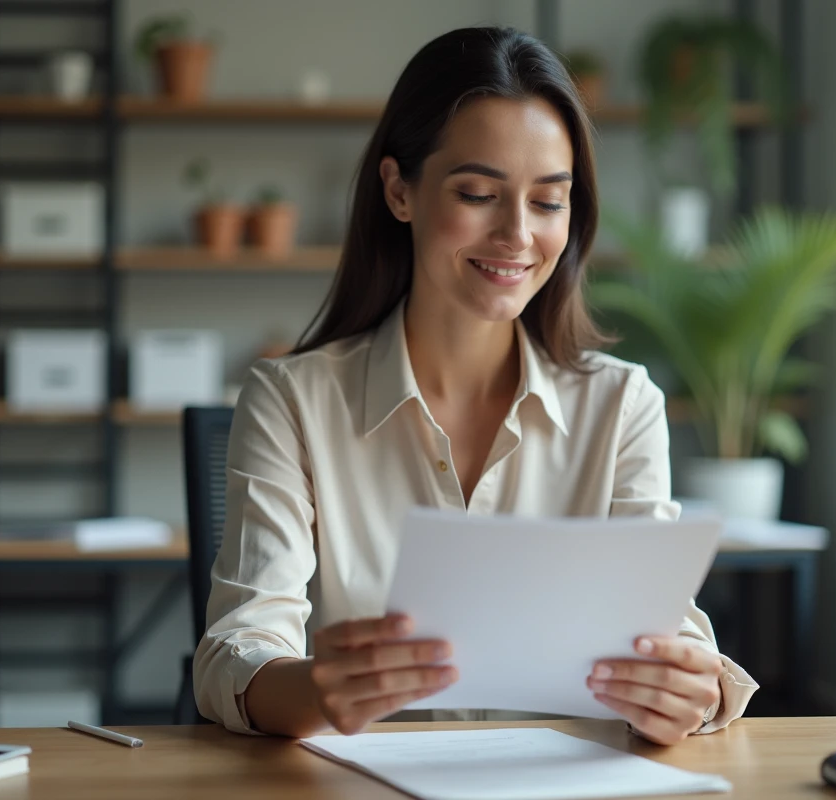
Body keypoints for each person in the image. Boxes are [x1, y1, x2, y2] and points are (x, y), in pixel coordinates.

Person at [193, 26, 758, 744]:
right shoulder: (292, 401)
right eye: (479, 193)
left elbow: (665, 634)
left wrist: (690, 694)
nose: (518, 234)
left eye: (549, 201)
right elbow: (234, 655)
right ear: (400, 190)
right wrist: (315, 689)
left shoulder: (622, 407)